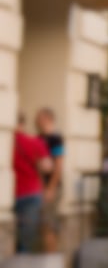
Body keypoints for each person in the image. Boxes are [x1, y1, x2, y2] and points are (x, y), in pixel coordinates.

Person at [13, 112, 52, 253]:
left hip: (10, 193)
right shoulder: (35, 142)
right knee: (25, 238)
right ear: (23, 124)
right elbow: (47, 167)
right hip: (31, 193)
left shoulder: (7, 141)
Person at [34, 107, 64, 252]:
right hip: (39, 187)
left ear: (48, 119)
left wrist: (51, 188)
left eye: (40, 117)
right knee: (43, 225)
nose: (36, 121)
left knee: (48, 225)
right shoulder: (38, 138)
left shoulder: (56, 139)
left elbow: (58, 165)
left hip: (50, 188)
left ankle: (52, 258)